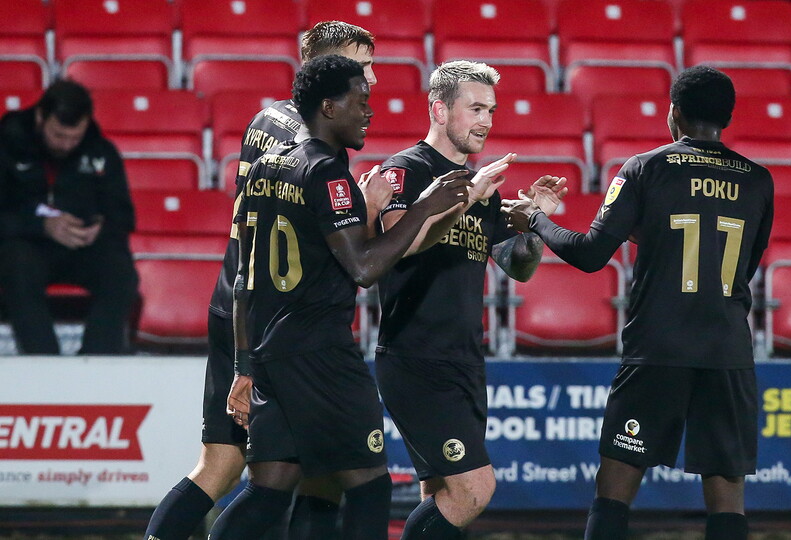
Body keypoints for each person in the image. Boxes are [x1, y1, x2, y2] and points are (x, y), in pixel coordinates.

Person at [501, 66, 774, 540]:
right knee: (727, 495)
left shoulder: (647, 168)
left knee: (615, 484)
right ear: (727, 117)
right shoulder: (758, 180)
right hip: (727, 351)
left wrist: (536, 218)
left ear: (674, 114)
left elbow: (589, 254)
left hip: (658, 348)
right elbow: (741, 268)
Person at [207, 54, 472, 540]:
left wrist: (245, 364)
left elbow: (244, 275)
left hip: (271, 351)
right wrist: (426, 207)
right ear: (329, 107)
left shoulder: (266, 165)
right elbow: (365, 267)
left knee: (268, 490)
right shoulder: (328, 175)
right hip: (322, 354)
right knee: (369, 488)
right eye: (360, 101)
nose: (369, 111)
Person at [144, 21, 379, 540]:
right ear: (320, 67)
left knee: (237, 466)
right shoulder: (314, 142)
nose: (371, 80)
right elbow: (330, 240)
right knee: (307, 474)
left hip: (238, 298)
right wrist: (372, 206)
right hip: (275, 321)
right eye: (359, 67)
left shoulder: (264, 119)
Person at [375, 60, 568, 539]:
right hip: (415, 357)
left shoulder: (478, 185)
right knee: (474, 489)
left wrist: (535, 223)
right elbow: (395, 240)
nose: (486, 120)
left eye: (492, 110)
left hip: (463, 358)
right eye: (476, 108)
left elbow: (518, 265)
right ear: (439, 110)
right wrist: (472, 197)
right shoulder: (407, 170)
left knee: (439, 491)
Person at [0, 79, 137, 355]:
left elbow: (123, 215)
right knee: (16, 265)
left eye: (75, 137)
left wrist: (101, 226)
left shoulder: (100, 151)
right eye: (59, 135)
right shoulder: (7, 146)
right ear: (41, 117)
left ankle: (96, 362)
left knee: (121, 272)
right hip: (28, 245)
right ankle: (44, 361)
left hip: (82, 246)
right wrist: (41, 226)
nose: (67, 145)